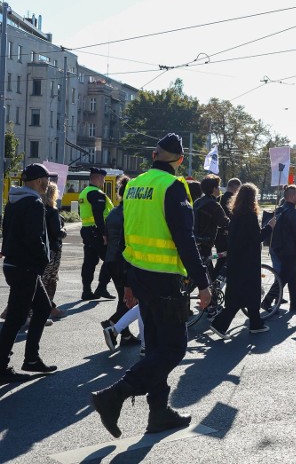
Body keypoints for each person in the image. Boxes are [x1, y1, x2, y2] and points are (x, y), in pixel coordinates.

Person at [90, 133, 211, 438]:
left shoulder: (134, 185)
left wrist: (129, 282)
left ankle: (159, 412)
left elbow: (129, 235)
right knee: (174, 348)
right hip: (165, 279)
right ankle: (114, 395)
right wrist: (203, 284)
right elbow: (185, 240)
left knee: (156, 347)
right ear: (179, 160)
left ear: (155, 155)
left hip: (140, 274)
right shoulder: (173, 187)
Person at [0, 164, 57, 383]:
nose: (48, 183)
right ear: (38, 180)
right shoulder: (33, 202)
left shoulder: (14, 200)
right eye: (46, 179)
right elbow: (34, 238)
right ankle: (2, 366)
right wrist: (43, 259)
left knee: (43, 307)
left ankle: (31, 358)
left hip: (15, 264)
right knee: (15, 318)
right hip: (26, 267)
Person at [209, 183, 274, 337]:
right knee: (245, 294)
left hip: (236, 259)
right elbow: (255, 238)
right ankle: (220, 325)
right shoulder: (250, 215)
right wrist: (270, 227)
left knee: (242, 293)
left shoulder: (235, 214)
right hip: (248, 261)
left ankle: (256, 323)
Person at [101, 176, 142, 350]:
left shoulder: (113, 212)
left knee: (124, 298)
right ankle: (111, 323)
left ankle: (124, 334)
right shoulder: (131, 212)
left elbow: (106, 237)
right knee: (131, 299)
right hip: (123, 260)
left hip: (111, 259)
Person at [269, 184, 296, 313]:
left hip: (279, 247)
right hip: (290, 250)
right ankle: (267, 301)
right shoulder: (295, 213)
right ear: (292, 196)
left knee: (292, 276)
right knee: (284, 277)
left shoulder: (279, 210)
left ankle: (294, 303)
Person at [79, 167, 114, 300]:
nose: (104, 182)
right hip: (97, 231)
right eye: (103, 179)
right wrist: (104, 233)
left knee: (89, 261)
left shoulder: (84, 192)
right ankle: (101, 287)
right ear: (99, 178)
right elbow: (98, 215)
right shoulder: (96, 193)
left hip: (87, 230)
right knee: (111, 259)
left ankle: (86, 290)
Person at [42, 181, 66, 319]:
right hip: (53, 250)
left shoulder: (39, 208)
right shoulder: (52, 211)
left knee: (41, 280)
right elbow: (57, 233)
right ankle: (46, 309)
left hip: (43, 249)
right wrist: (64, 231)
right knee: (50, 280)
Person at [193, 174, 229, 263]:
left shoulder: (198, 202)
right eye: (218, 187)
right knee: (207, 269)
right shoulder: (213, 204)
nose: (219, 189)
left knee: (205, 265)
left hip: (196, 238)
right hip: (206, 241)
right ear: (214, 189)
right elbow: (224, 222)